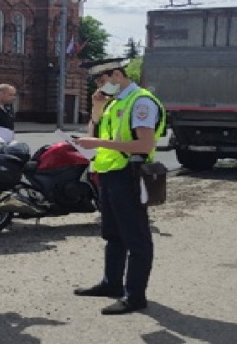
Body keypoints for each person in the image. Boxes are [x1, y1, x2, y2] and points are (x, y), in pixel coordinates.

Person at [74, 57, 166, 315]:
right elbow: (95, 133)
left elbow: (144, 145)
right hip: (109, 174)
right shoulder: (115, 101)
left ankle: (135, 296)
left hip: (130, 175)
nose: (102, 87)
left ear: (117, 74)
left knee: (136, 239)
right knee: (113, 235)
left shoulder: (141, 102)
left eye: (103, 81)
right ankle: (111, 283)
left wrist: (100, 145)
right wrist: (95, 108)